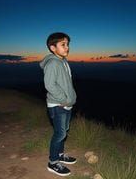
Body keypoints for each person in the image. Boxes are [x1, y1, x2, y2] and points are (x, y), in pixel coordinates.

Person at [41, 32, 78, 176]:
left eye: (68, 44)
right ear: (52, 48)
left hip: (65, 104)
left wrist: (70, 98)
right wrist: (64, 99)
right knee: (60, 133)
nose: (67, 47)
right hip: (58, 105)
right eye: (63, 44)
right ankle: (53, 162)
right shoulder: (52, 63)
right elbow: (50, 85)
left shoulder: (62, 61)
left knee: (64, 131)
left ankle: (60, 154)